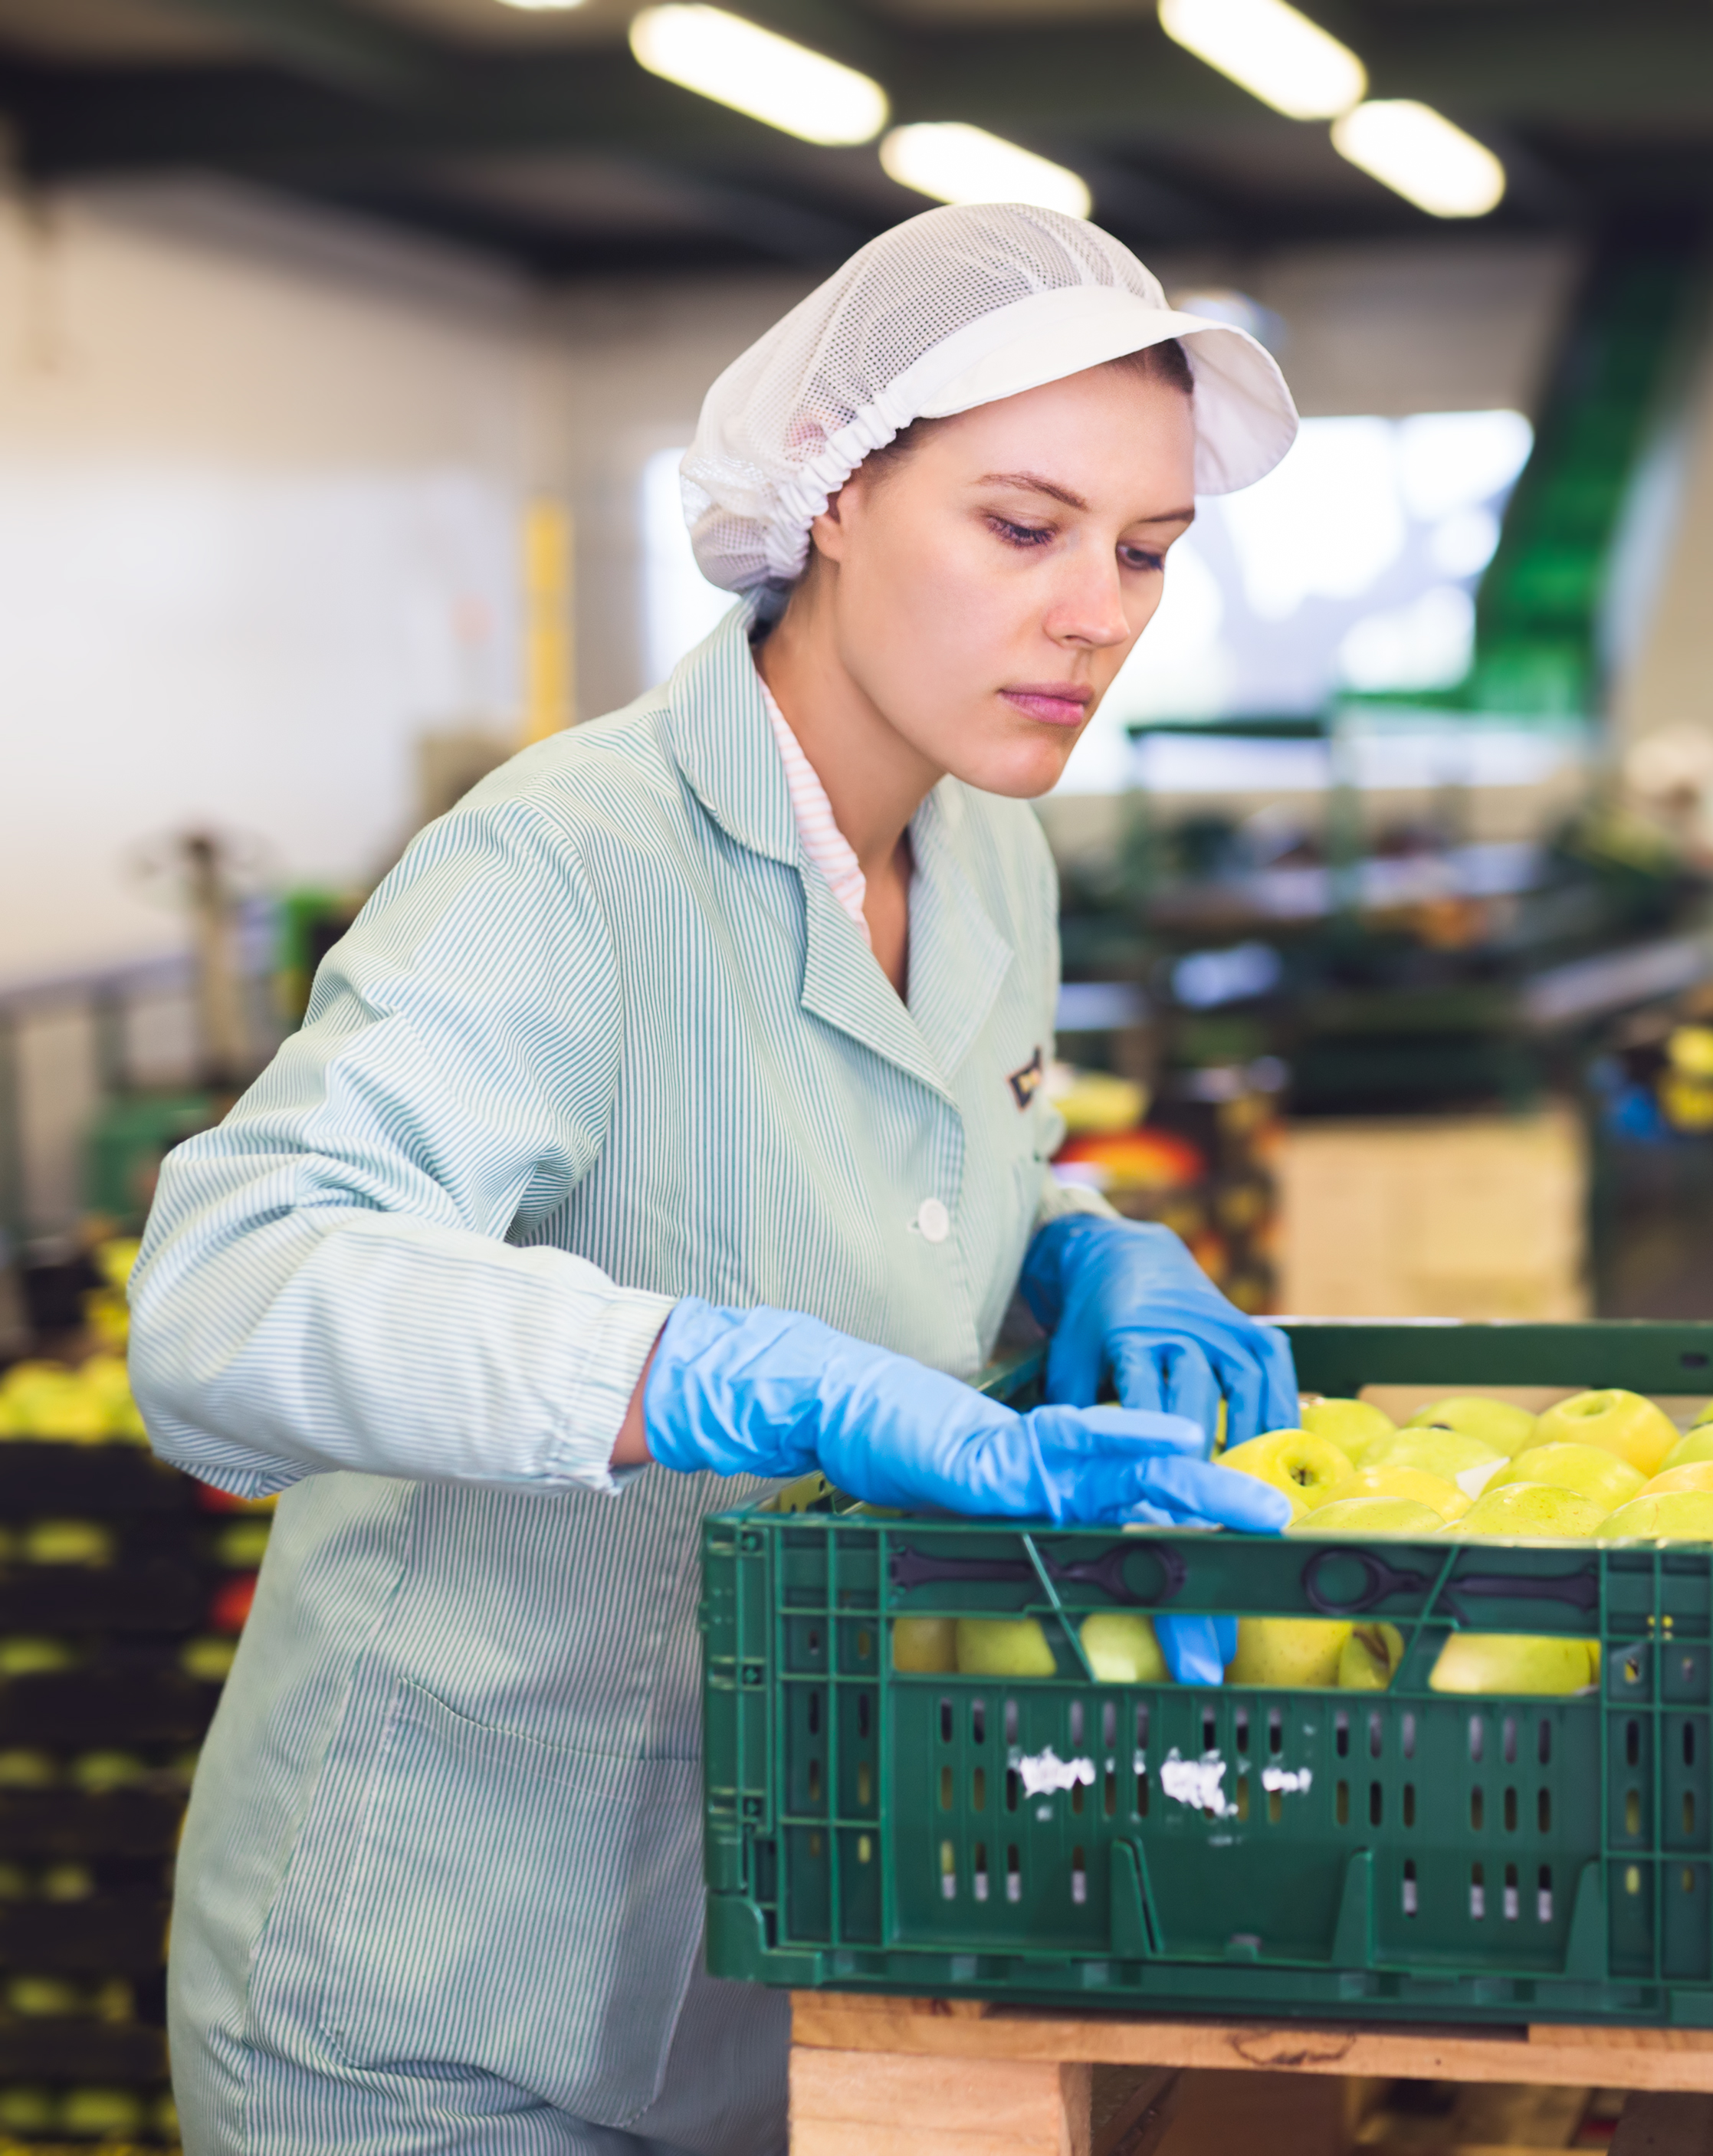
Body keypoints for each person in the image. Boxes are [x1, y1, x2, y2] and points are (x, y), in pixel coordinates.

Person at [126, 205, 1307, 2155]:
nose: (1098, 610)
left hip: (796, 1946)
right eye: (1023, 527)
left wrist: (1085, 1247)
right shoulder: (570, 864)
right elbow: (226, 1287)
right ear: (833, 494)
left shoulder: (991, 851)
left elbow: (918, 1154)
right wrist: (707, 1367)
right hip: (445, 1999)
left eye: (1146, 551)